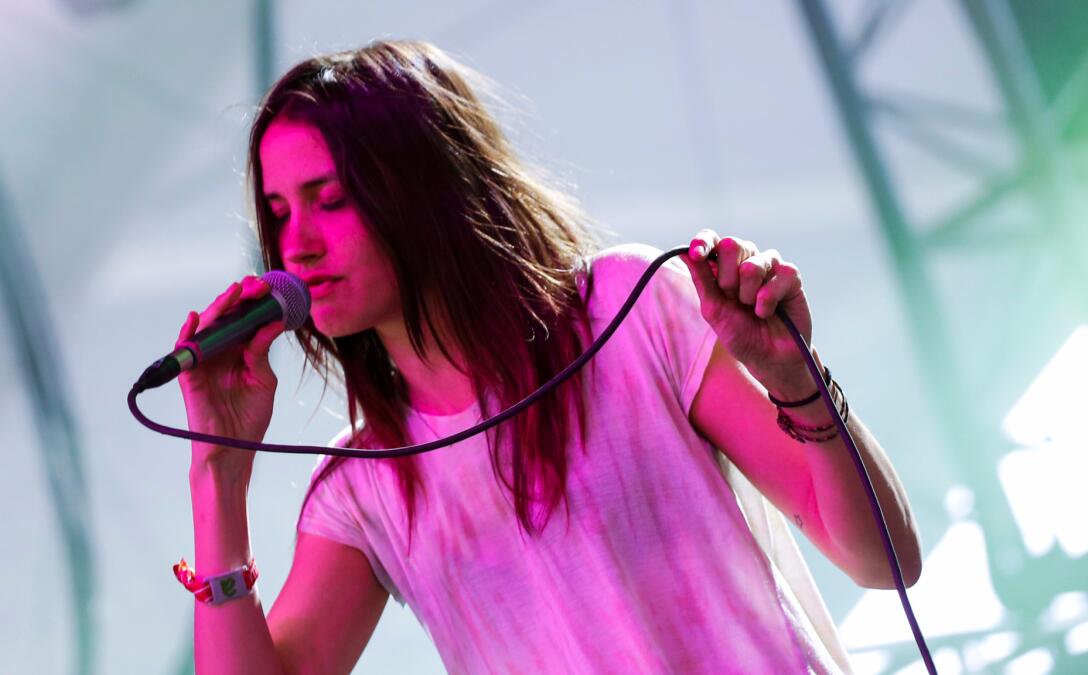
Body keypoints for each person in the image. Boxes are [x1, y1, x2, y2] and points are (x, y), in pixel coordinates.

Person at [174, 40, 922, 674]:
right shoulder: (367, 483)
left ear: (422, 187)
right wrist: (217, 473)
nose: (297, 244)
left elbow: (886, 561)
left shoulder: (628, 312)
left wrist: (796, 382)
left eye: (328, 199)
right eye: (279, 213)